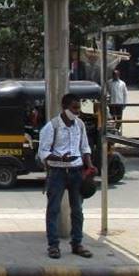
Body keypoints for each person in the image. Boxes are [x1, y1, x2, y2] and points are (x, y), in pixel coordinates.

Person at [38, 93, 95, 260]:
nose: (77, 111)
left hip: (77, 171)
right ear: (65, 108)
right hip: (58, 173)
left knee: (77, 210)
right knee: (53, 209)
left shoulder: (80, 125)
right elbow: (43, 152)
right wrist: (59, 158)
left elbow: (85, 147)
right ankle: (53, 245)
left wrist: (89, 165)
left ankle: (77, 243)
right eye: (74, 108)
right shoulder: (52, 126)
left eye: (79, 108)